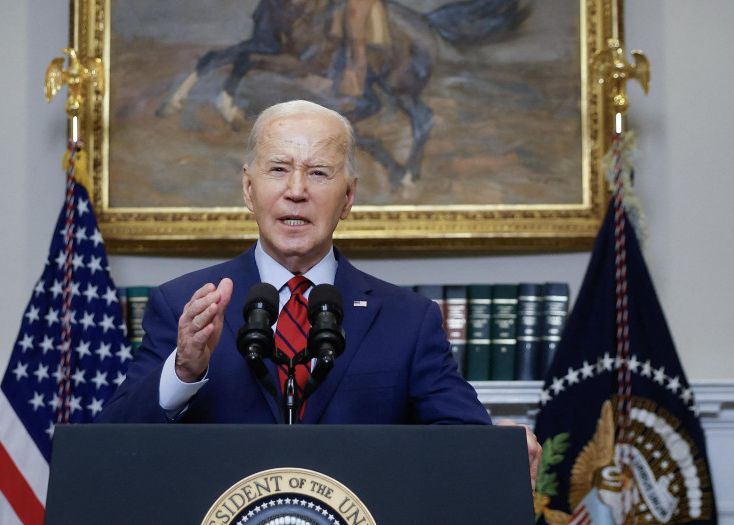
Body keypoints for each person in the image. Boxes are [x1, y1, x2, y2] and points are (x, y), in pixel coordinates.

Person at [96, 100, 540, 484]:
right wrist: (184, 372)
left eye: (319, 173)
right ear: (249, 189)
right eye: (279, 170)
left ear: (348, 198)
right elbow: (110, 449)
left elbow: (465, 443)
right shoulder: (182, 304)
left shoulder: (409, 319)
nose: (296, 191)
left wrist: (501, 447)